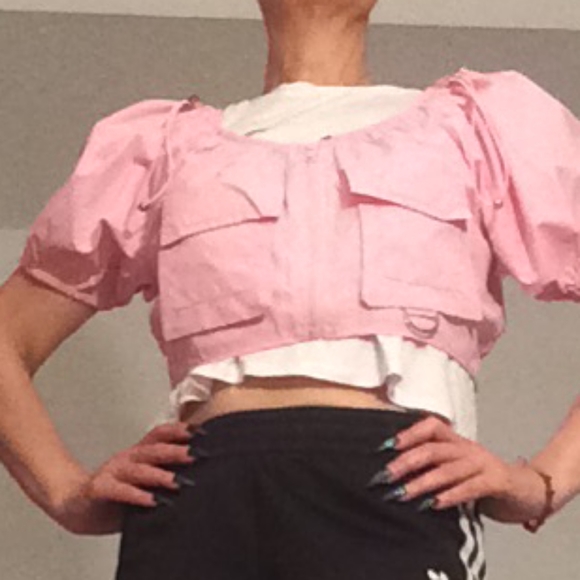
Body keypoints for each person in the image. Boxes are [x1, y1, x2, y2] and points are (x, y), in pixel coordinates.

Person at [0, 0, 579, 578]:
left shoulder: (474, 129)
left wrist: (541, 482)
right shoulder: (162, 151)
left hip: (395, 495)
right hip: (194, 510)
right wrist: (63, 491)